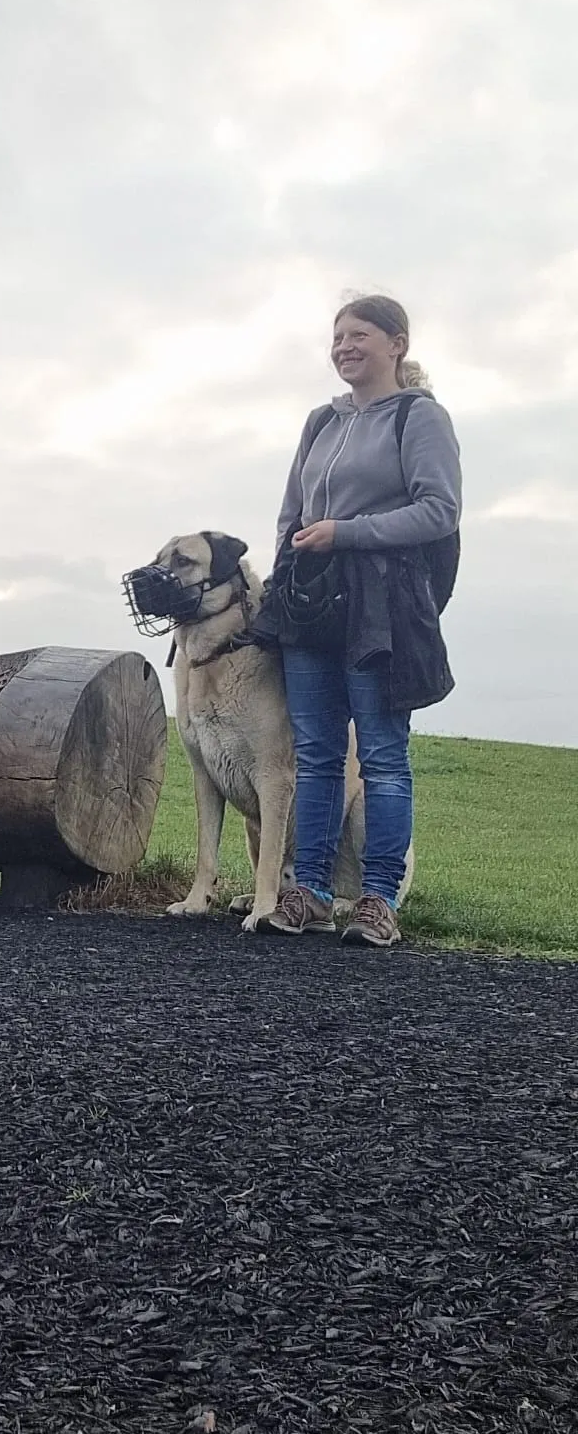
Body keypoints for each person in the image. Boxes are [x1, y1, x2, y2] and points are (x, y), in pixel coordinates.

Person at [259, 295, 461, 947]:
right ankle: (312, 893)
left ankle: (378, 900)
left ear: (397, 343)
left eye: (360, 334)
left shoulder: (420, 417)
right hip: (312, 605)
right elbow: (291, 518)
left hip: (380, 606)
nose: (344, 345)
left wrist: (346, 533)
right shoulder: (320, 420)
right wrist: (277, 592)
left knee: (381, 756)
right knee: (317, 755)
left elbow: (439, 512)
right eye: (337, 336)